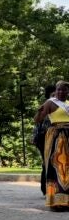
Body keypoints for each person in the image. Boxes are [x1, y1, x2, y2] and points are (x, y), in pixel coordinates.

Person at [34, 80, 69, 211]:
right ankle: (56, 201)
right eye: (59, 89)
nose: (61, 92)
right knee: (56, 168)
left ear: (68, 92)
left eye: (64, 90)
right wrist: (39, 112)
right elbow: (37, 120)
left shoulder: (68, 104)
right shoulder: (50, 103)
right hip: (56, 137)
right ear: (55, 91)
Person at [31, 84, 56, 196]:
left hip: (58, 136)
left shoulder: (62, 105)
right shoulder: (46, 105)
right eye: (53, 94)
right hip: (43, 138)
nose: (55, 96)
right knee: (47, 162)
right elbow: (36, 121)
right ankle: (46, 189)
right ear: (48, 95)